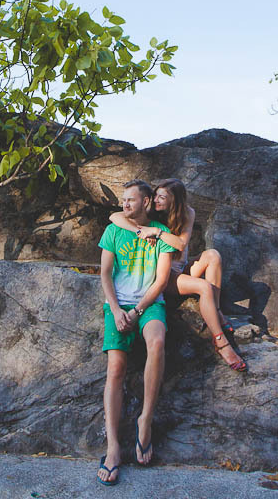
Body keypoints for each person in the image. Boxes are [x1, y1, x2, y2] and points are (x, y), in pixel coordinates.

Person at [110, 178, 246, 371]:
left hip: (181, 267)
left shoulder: (187, 213)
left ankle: (214, 311)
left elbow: (181, 244)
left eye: (162, 197)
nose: (156, 200)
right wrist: (140, 230)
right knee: (204, 287)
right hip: (166, 276)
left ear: (175, 201)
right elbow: (114, 217)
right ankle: (220, 341)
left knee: (213, 255)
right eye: (156, 195)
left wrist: (156, 232)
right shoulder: (152, 211)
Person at [97, 179, 178, 486]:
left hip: (148, 305)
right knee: (116, 367)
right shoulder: (115, 229)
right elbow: (104, 273)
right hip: (117, 306)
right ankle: (113, 448)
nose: (125, 204)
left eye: (131, 200)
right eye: (123, 200)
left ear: (146, 202)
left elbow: (160, 281)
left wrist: (138, 310)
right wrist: (117, 311)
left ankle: (145, 419)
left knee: (157, 341)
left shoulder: (161, 234)